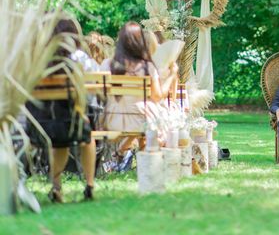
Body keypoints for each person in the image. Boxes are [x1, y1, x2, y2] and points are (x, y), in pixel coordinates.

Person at [27, 17, 98, 203]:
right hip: (70, 125)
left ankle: (57, 187)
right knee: (87, 135)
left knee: (60, 140)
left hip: (38, 126)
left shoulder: (33, 61)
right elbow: (90, 89)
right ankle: (89, 184)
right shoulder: (78, 58)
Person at [103, 22, 175, 155]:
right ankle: (143, 153)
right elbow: (158, 96)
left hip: (111, 119)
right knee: (158, 114)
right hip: (139, 120)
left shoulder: (107, 64)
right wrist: (172, 75)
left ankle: (124, 151)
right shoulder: (146, 67)